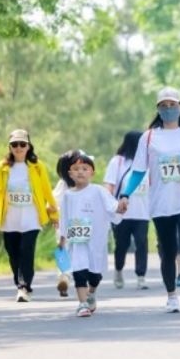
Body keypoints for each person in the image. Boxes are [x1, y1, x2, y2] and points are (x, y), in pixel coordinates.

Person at [118, 87, 180, 314]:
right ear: (158, 109)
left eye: (173, 105)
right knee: (168, 251)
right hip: (161, 202)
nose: (169, 109)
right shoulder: (149, 137)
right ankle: (171, 297)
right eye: (164, 106)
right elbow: (138, 171)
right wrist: (125, 194)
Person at [0, 129, 59, 303]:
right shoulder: (2, 167)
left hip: (31, 218)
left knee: (26, 251)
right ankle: (20, 283)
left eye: (22, 144)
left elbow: (46, 190)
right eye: (14, 144)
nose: (18, 148)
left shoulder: (36, 166)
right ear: (10, 147)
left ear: (28, 146)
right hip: (9, 218)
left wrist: (54, 213)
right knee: (13, 253)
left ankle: (24, 287)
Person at [57, 151, 124, 317]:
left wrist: (120, 207)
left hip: (96, 240)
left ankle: (91, 293)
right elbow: (64, 217)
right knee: (79, 270)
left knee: (95, 275)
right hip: (77, 241)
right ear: (70, 173)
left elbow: (112, 206)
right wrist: (62, 238)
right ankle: (82, 304)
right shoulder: (67, 196)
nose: (81, 172)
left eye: (85, 168)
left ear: (92, 172)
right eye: (76, 168)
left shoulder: (98, 191)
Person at [104, 131, 151, 290]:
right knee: (121, 245)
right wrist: (108, 206)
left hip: (142, 213)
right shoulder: (117, 162)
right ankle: (118, 270)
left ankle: (141, 276)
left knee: (142, 243)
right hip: (121, 214)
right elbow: (109, 185)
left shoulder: (148, 163)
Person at [53, 150, 75, 298]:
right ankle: (74, 277)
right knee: (77, 251)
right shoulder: (81, 182)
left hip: (61, 221)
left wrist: (53, 216)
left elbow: (52, 203)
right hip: (80, 222)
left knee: (63, 250)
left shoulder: (62, 184)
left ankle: (64, 276)